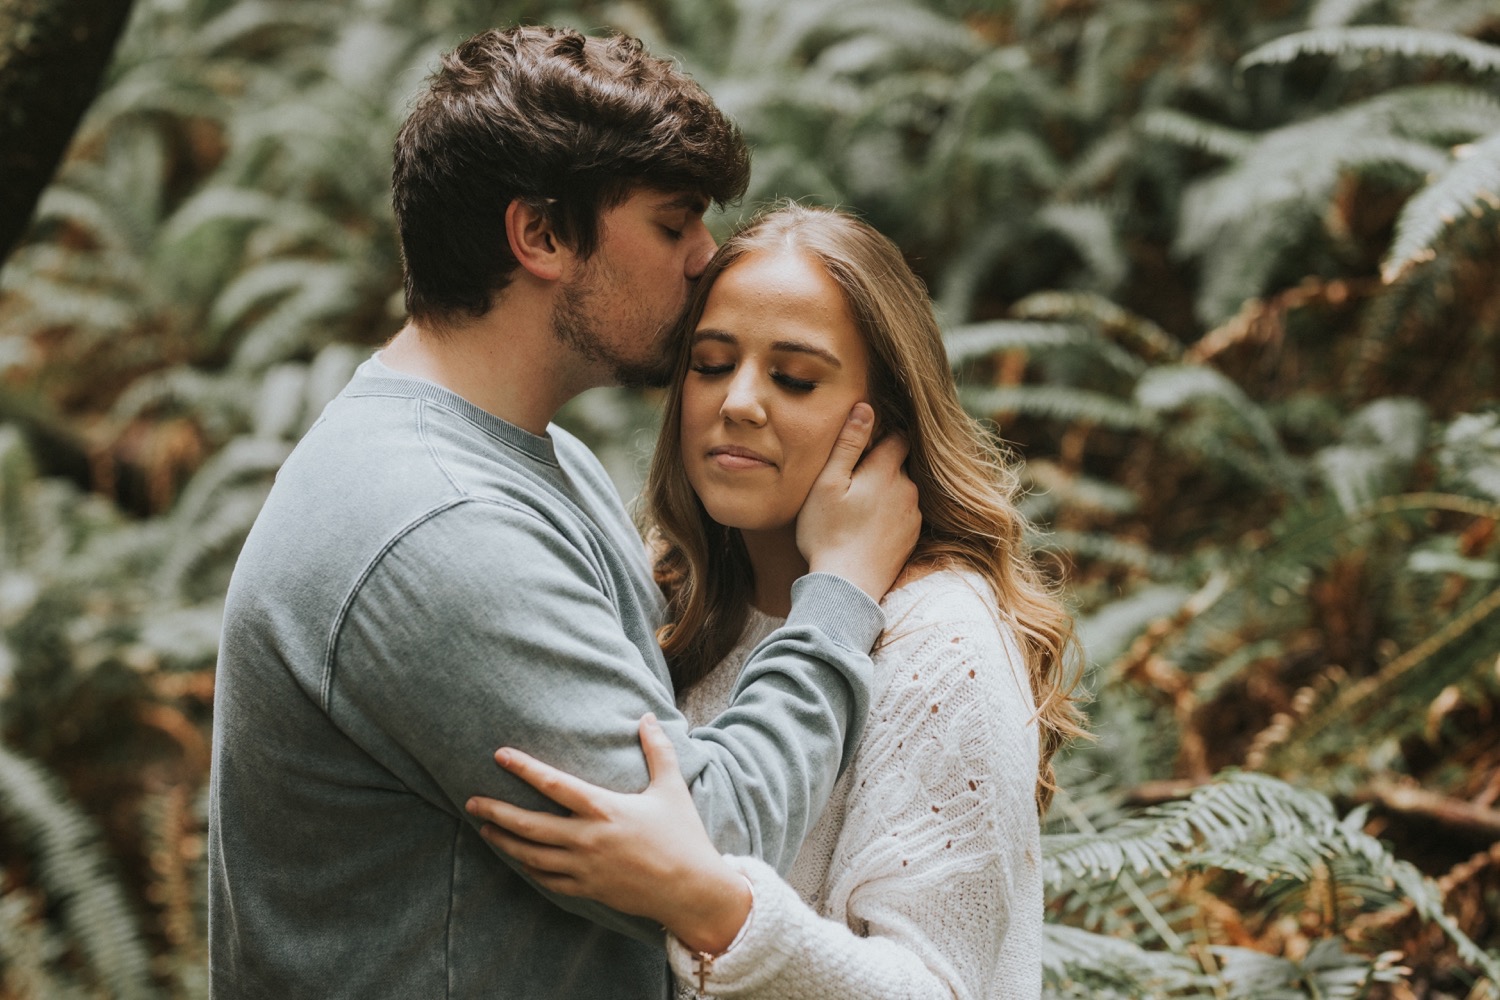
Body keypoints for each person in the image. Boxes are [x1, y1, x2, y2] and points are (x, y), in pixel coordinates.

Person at [207, 28, 920, 999]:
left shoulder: (544, 461)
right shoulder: (439, 525)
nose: (707, 259)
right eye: (673, 225)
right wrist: (838, 593)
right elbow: (706, 851)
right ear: (540, 235)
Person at [465, 204, 1087, 1000]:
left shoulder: (941, 644)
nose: (740, 402)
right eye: (712, 364)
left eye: (794, 378)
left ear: (887, 418)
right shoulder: (663, 597)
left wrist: (712, 907)